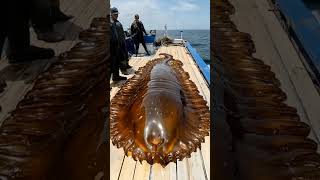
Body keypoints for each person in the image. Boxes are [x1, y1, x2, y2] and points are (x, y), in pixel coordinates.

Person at [110, 7, 132, 75]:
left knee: (124, 56)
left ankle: (124, 68)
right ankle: (122, 71)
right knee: (118, 59)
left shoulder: (117, 22)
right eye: (115, 14)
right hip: (116, 44)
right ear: (111, 14)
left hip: (122, 42)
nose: (117, 15)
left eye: (117, 14)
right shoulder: (111, 23)